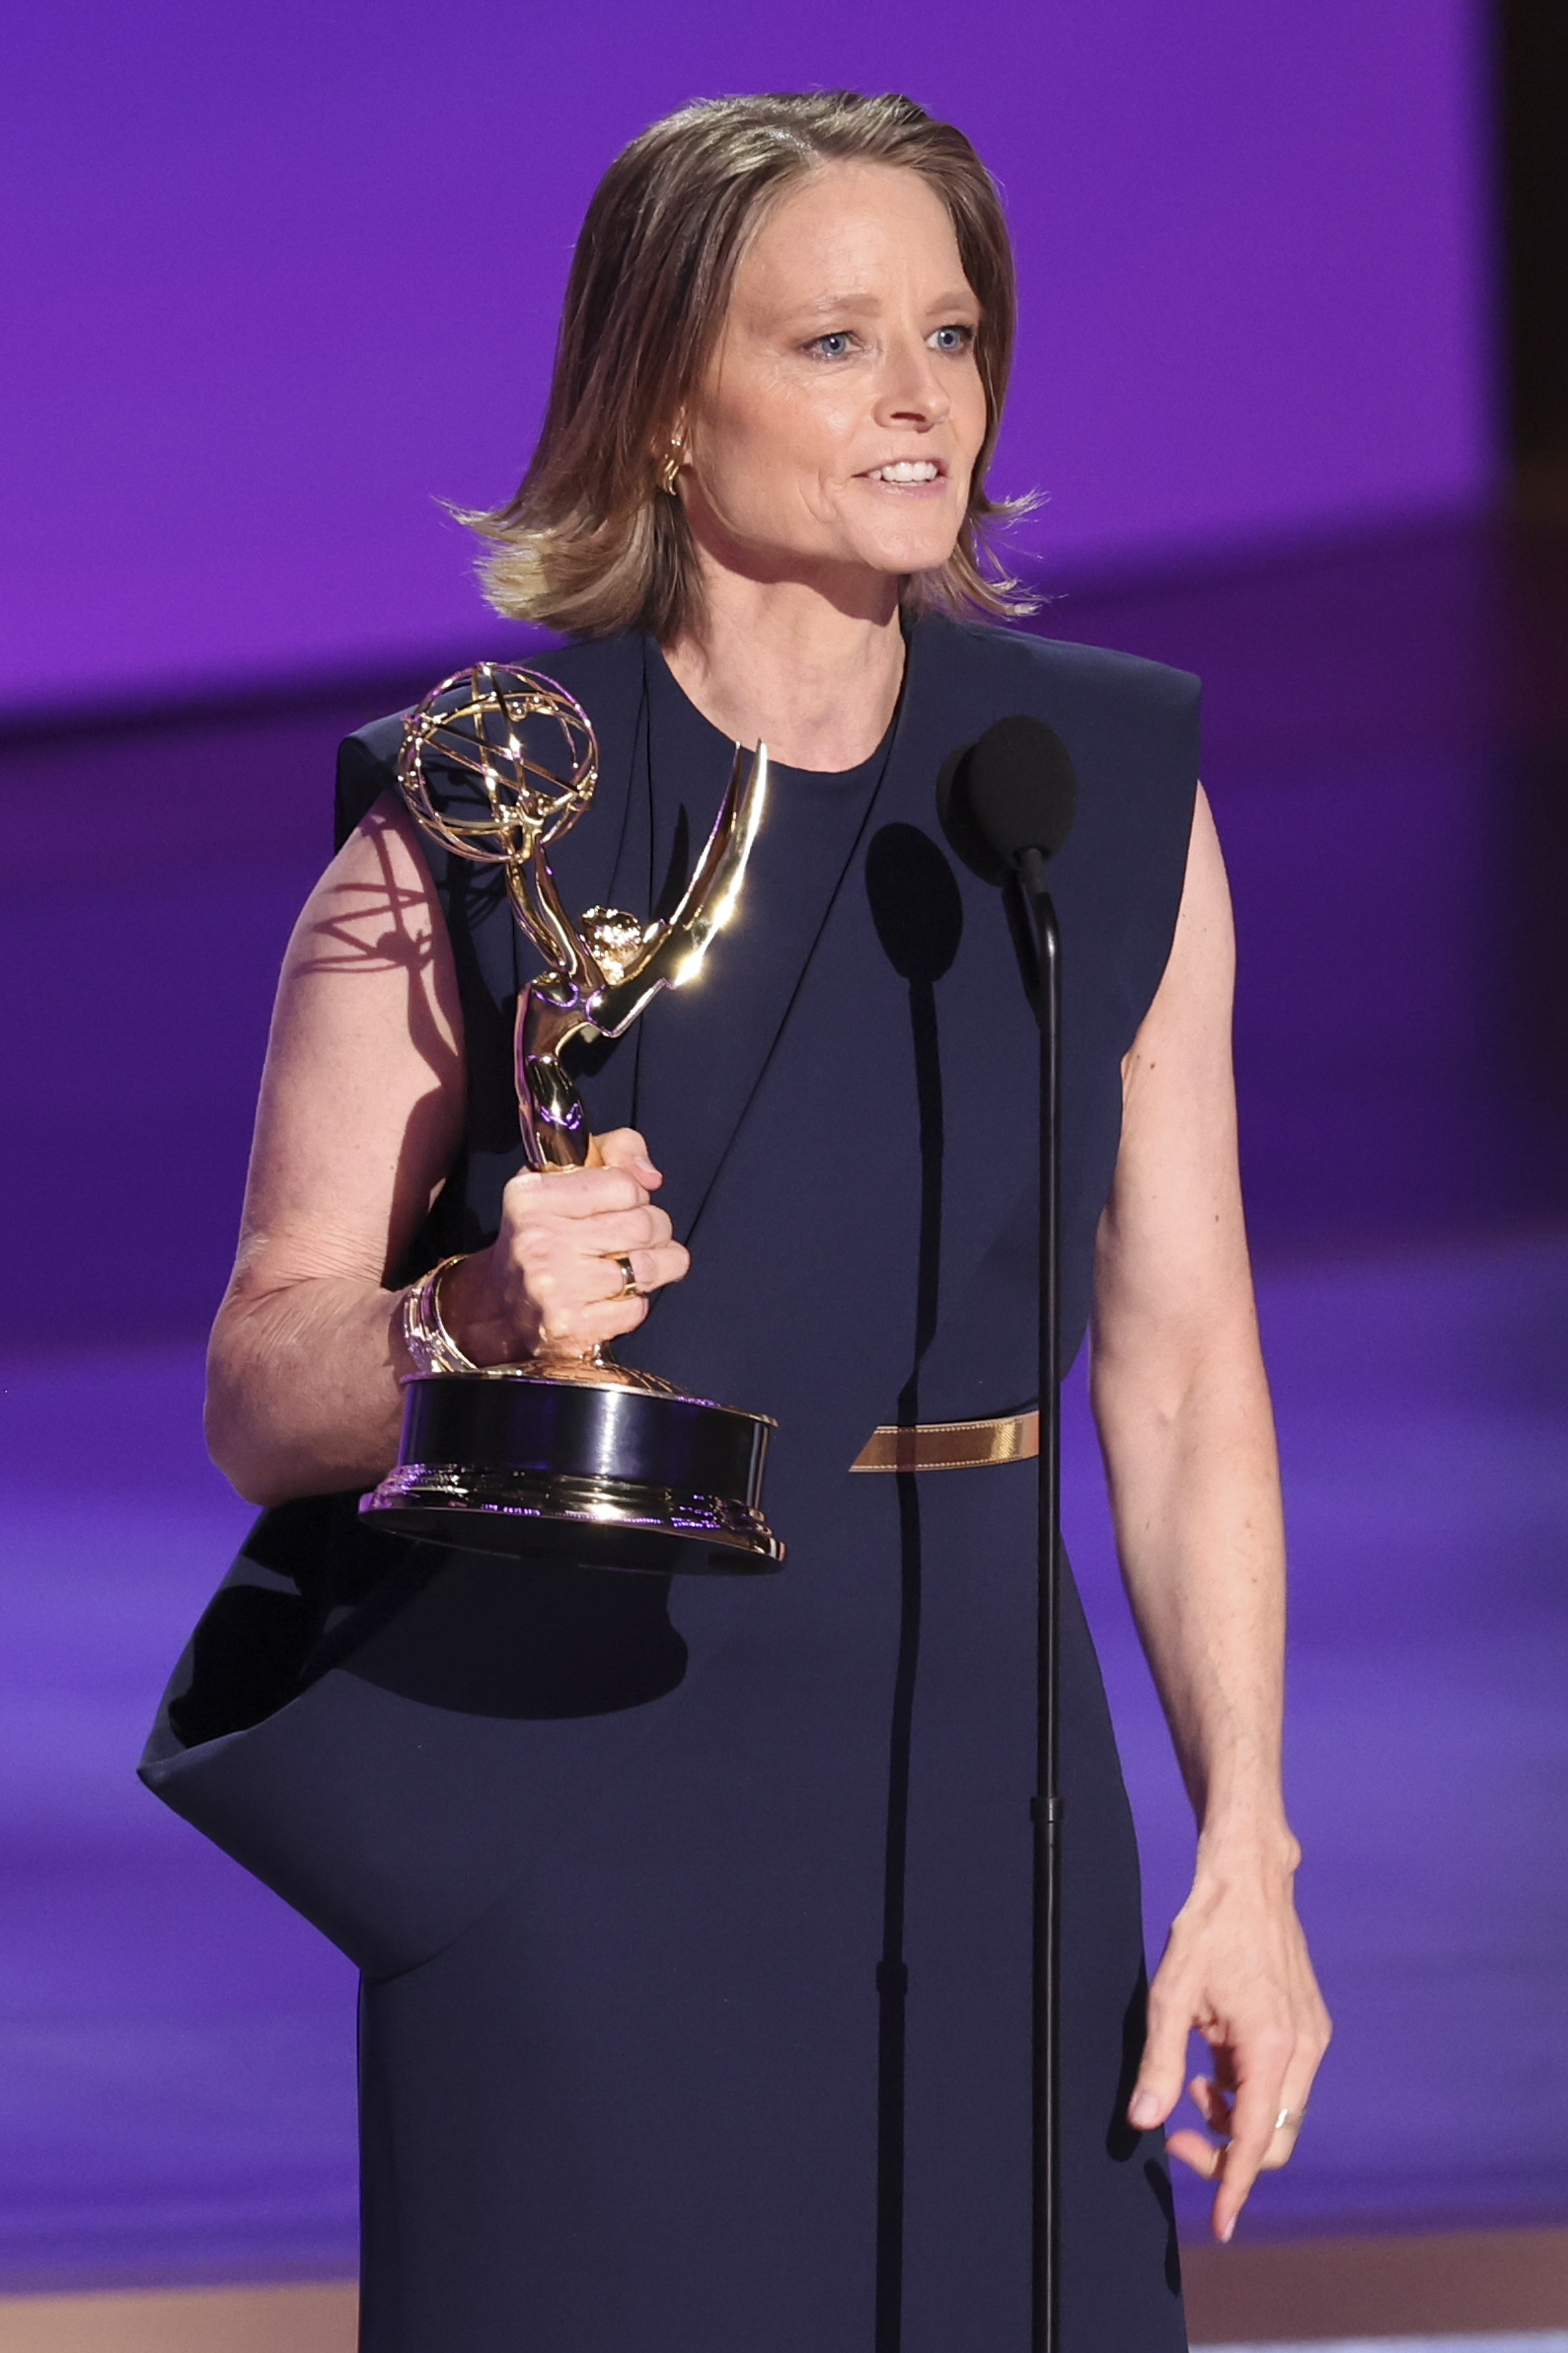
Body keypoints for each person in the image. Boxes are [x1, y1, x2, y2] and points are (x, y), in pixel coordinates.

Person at [143, 89, 1329, 2353]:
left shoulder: (1091, 797)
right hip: (585, 1793)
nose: (922, 400)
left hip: (983, 1781)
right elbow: (255, 1383)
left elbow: (1181, 1367)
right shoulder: (472, 814)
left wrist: (1247, 1850)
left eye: (955, 334)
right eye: (834, 342)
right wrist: (459, 1316)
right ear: (666, 406)